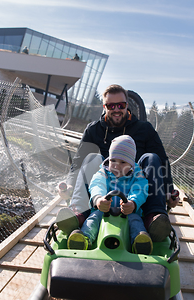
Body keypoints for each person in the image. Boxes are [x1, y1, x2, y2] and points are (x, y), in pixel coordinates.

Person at [55, 84, 179, 242]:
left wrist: (169, 190)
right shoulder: (94, 130)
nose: (116, 109)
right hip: (103, 188)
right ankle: (78, 213)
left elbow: (162, 160)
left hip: (135, 185)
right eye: (111, 106)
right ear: (104, 107)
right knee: (92, 157)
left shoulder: (144, 129)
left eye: (121, 105)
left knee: (152, 157)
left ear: (127, 105)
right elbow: (79, 161)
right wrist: (70, 184)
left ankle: (153, 218)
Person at [66, 135, 153, 255]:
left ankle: (139, 242)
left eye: (123, 162)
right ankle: (84, 239)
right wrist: (98, 199)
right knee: (93, 219)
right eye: (113, 161)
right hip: (104, 210)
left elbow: (140, 189)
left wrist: (132, 203)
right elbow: (97, 184)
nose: (116, 165)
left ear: (131, 164)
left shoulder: (136, 175)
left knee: (136, 221)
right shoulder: (104, 172)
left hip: (127, 212)